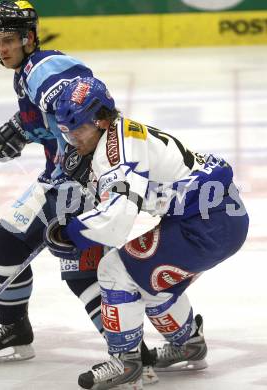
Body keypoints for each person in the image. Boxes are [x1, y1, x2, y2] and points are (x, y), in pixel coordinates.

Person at [44, 76, 249, 389]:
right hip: (219, 217)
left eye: (79, 129)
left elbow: (115, 222)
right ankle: (187, 344)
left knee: (114, 270)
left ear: (100, 121)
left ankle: (125, 362)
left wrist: (69, 233)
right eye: (67, 131)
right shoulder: (118, 132)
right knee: (148, 278)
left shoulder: (115, 153)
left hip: (207, 224)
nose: (73, 138)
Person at [0, 0, 106, 363]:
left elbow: (84, 99)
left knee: (83, 275)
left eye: (9, 39)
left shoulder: (44, 68)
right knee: (7, 247)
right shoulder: (27, 72)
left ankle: (132, 351)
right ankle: (15, 327)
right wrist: (21, 128)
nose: (2, 48)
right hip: (60, 182)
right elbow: (47, 115)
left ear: (29, 37)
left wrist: (79, 152)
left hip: (77, 187)